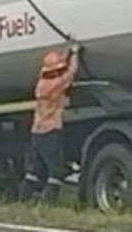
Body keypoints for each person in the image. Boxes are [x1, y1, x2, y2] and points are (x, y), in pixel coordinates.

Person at [19, 41, 80, 203]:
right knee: (56, 170)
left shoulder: (41, 84)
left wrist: (66, 52)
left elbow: (58, 66)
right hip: (51, 130)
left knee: (33, 169)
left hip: (37, 131)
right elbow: (71, 72)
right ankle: (49, 202)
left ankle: (23, 199)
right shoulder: (57, 85)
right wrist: (75, 54)